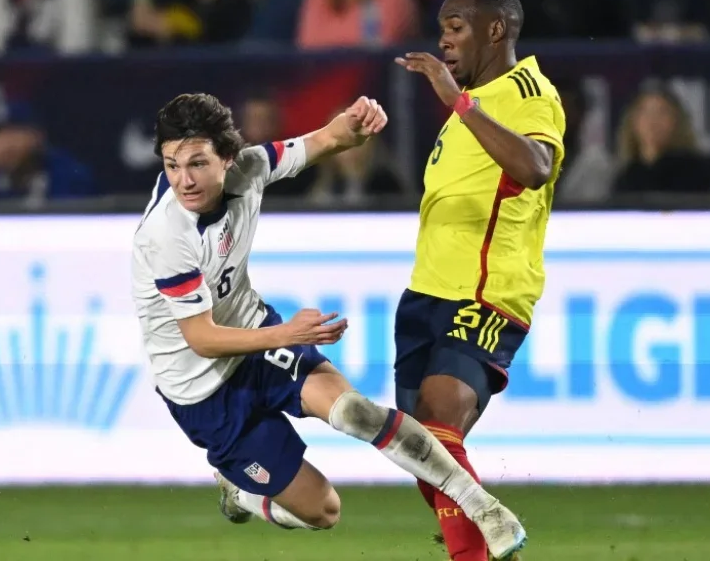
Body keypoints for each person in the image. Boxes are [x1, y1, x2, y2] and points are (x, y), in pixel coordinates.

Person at [130, 92, 527, 561]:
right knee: (323, 510)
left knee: (355, 411)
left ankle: (485, 509)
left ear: (228, 158)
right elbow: (202, 338)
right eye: (172, 165)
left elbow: (324, 140)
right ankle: (242, 494)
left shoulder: (251, 168)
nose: (184, 179)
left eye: (196, 163)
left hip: (256, 340)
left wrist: (355, 123)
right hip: (203, 391)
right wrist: (286, 334)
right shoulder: (166, 236)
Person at [393, 0, 566, 561]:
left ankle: (483, 546)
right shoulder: (470, 103)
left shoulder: (528, 91)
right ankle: (479, 546)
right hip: (425, 294)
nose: (443, 40)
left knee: (438, 417)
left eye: (456, 27)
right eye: (441, 27)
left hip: (486, 293)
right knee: (421, 450)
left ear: (496, 30)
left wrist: (459, 102)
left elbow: (536, 166)